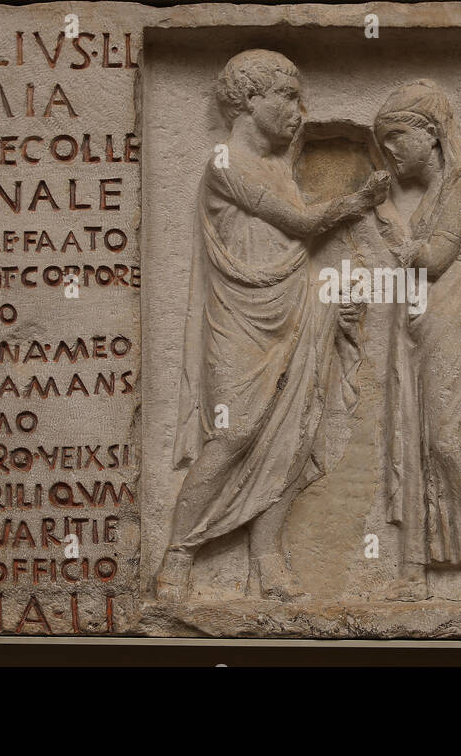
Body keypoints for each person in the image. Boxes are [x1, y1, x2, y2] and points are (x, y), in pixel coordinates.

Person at [154, 49, 388, 604]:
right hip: (241, 317)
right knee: (234, 433)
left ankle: (267, 559)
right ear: (249, 98)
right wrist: (359, 200)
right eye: (286, 96)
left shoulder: (281, 165)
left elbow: (297, 238)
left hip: (298, 305)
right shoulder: (224, 163)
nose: (298, 110)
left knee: (296, 429)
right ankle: (179, 552)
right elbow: (302, 223)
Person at [370, 79, 461, 605]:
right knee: (412, 442)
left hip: (453, 320)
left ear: (430, 135)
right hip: (420, 325)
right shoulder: (435, 192)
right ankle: (412, 571)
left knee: (452, 446)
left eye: (397, 138)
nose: (389, 152)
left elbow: (432, 260)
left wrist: (383, 214)